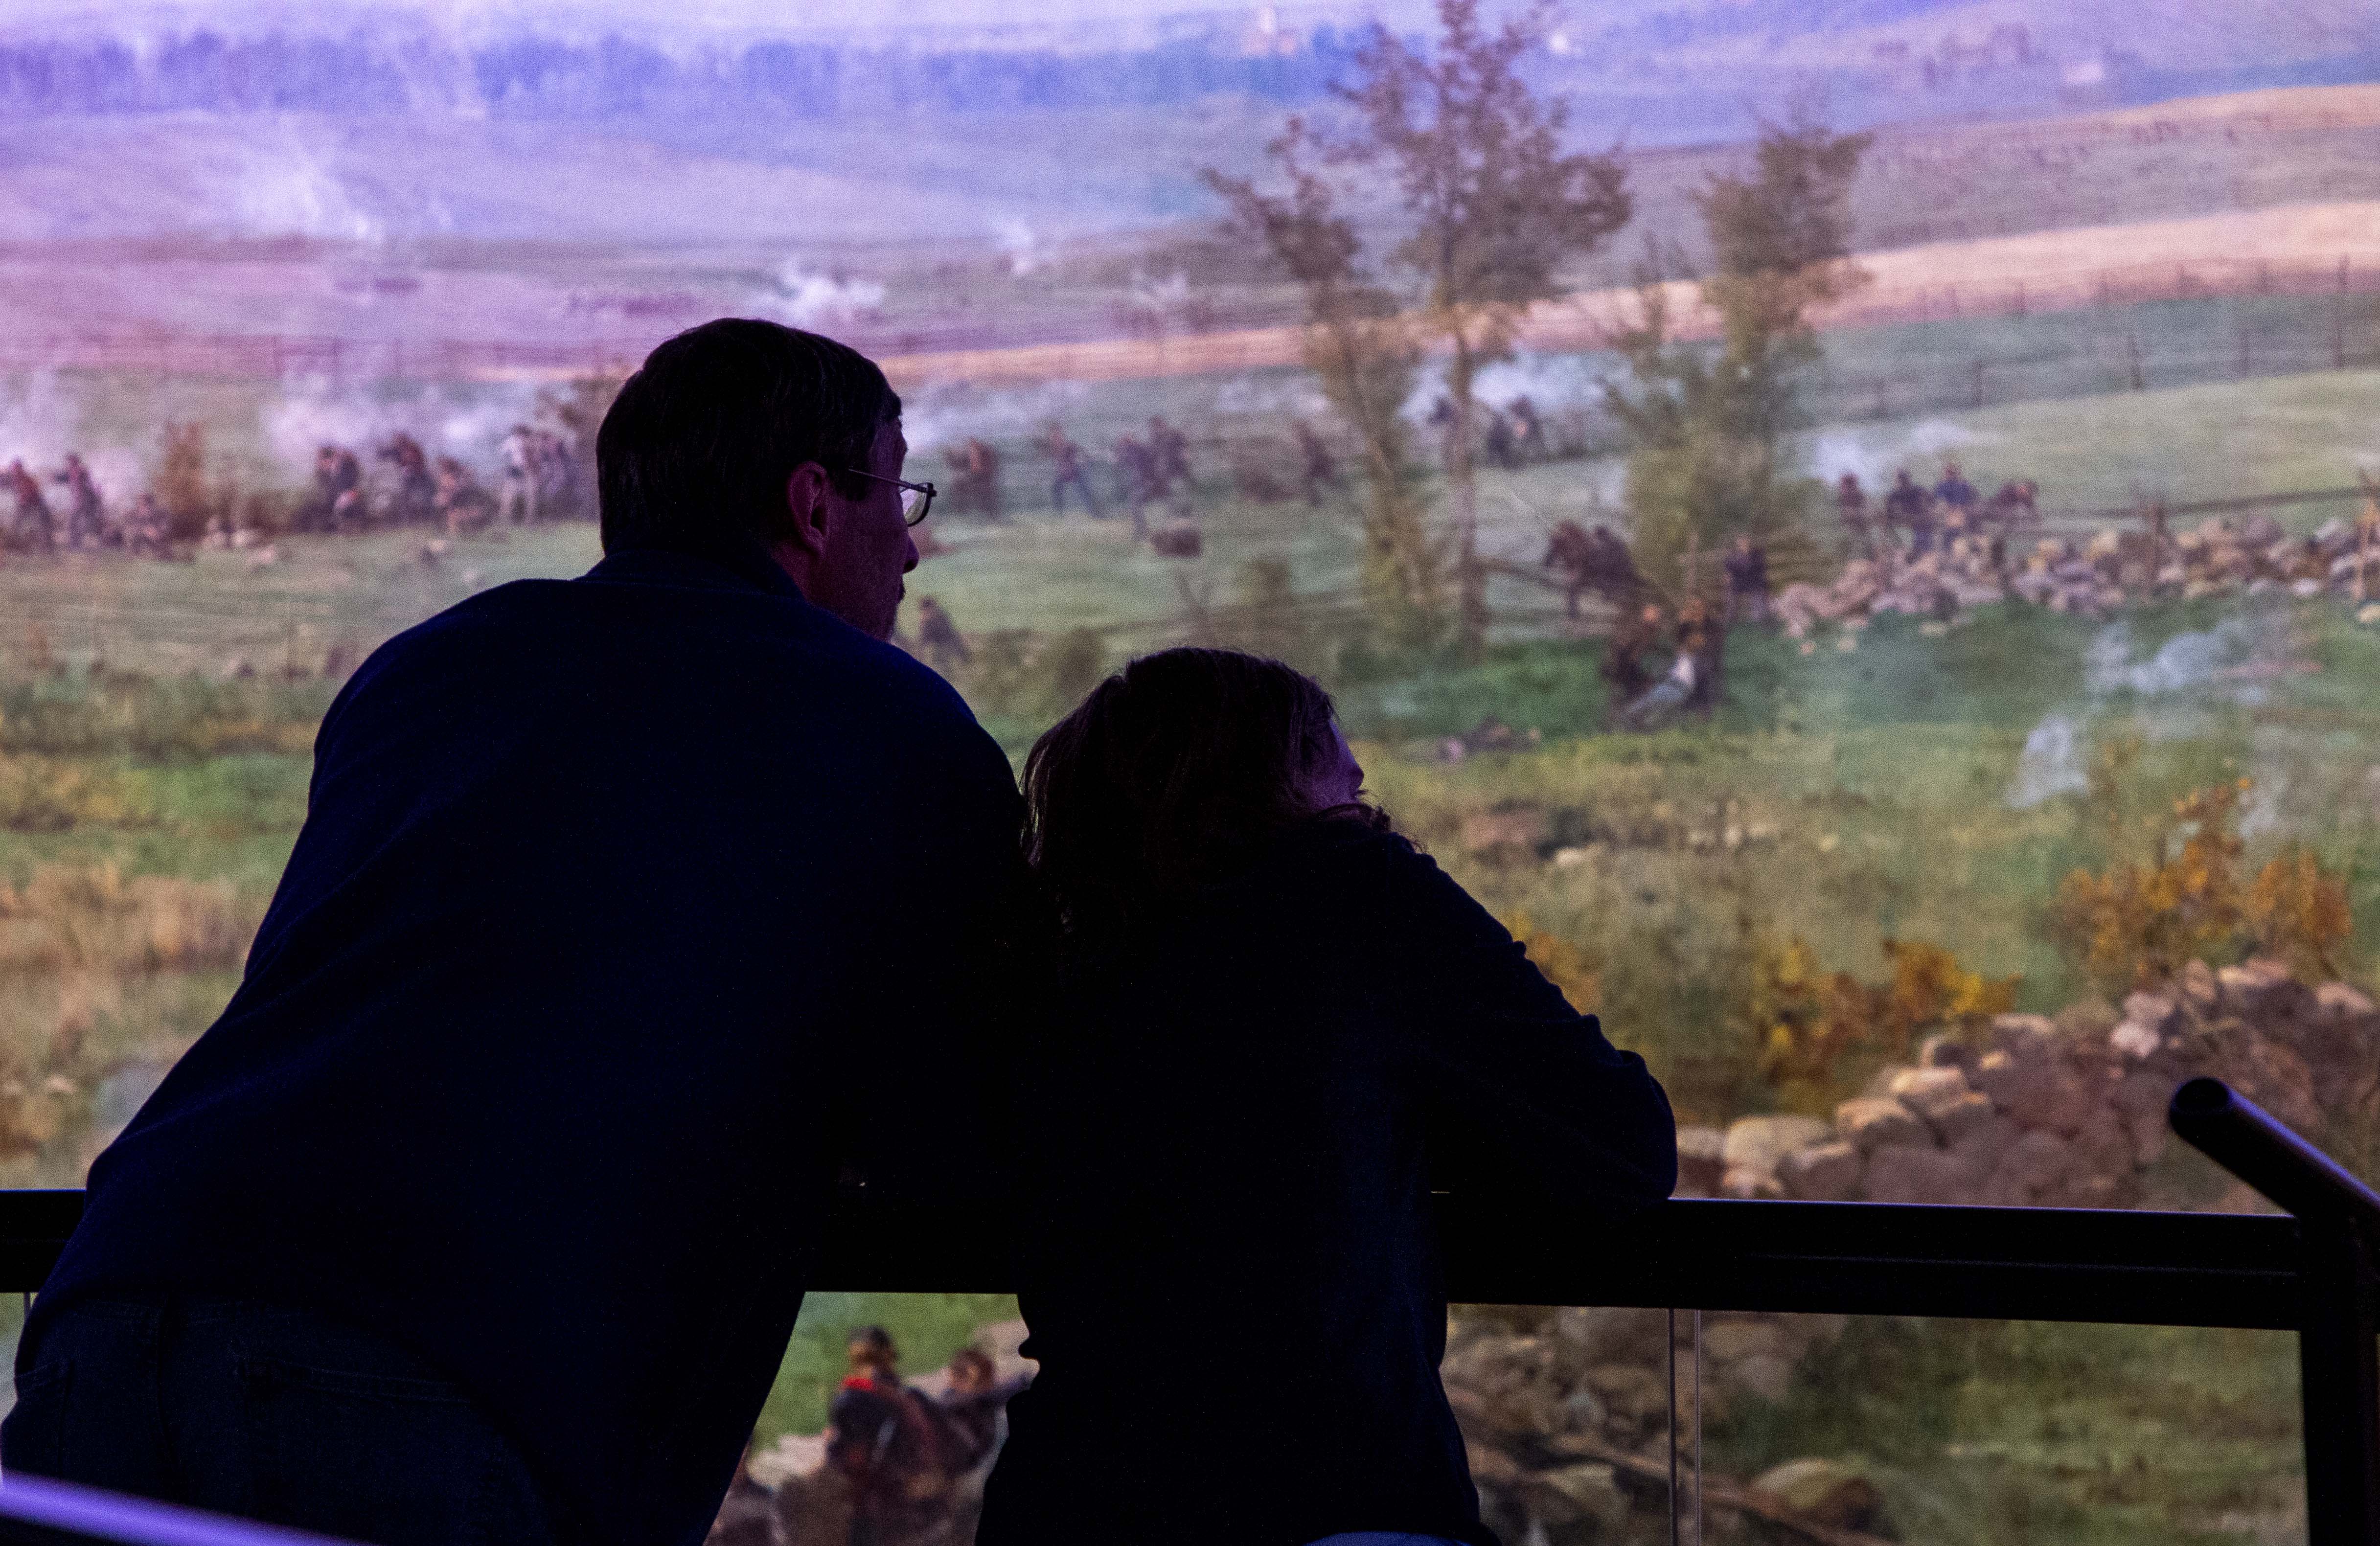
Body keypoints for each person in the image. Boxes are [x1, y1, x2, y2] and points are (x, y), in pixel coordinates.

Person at [5, 319, 1028, 1546]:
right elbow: (949, 1134)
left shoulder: (428, 667)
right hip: (438, 1369)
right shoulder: (893, 728)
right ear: (813, 503)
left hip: (115, 1306)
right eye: (895, 489)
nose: (909, 544)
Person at [979, 649, 1675, 1546]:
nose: (1355, 775)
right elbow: (1623, 1145)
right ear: (1270, 780)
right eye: (1330, 756)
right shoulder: (1351, 894)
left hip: (1067, 1501)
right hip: (1330, 1506)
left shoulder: (1053, 948)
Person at [828, 1329, 958, 1546]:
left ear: (853, 1359)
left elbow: (847, 1459)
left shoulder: (847, 1400)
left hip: (874, 1509)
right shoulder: (913, 1398)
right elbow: (946, 1443)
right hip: (922, 1508)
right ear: (889, 1354)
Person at [1043, 426, 1101, 519]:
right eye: (1053, 436)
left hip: (1075, 471)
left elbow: (1081, 454)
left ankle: (1095, 512)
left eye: (1057, 435)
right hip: (1063, 473)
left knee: (1085, 491)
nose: (1055, 438)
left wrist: (1084, 462)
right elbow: (1052, 459)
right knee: (1056, 489)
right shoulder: (1053, 448)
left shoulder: (1069, 446)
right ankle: (1059, 512)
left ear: (1061, 436)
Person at [52, 453, 105, 547]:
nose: (67, 464)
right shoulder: (74, 471)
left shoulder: (79, 471)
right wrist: (54, 477)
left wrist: (96, 496)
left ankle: (76, 544)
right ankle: (77, 544)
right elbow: (64, 478)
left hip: (84, 501)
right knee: (83, 522)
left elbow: (86, 484)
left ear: (74, 461)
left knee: (75, 522)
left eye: (69, 462)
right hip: (83, 501)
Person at [913, 595, 969, 674]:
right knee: (939, 661)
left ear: (932, 608)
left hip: (948, 641)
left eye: (929, 610)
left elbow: (952, 635)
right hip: (938, 644)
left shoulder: (941, 617)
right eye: (923, 611)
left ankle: (960, 668)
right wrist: (919, 657)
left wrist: (963, 655)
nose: (924, 614)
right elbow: (923, 640)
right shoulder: (925, 622)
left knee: (946, 656)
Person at [1722, 534, 1770, 626]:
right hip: (1738, 584)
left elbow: (1762, 571)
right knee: (1730, 597)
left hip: (1754, 583)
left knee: (1758, 596)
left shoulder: (1757, 555)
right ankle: (1730, 623)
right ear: (1738, 543)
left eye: (1745, 541)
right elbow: (1728, 571)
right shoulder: (1733, 556)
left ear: (1749, 542)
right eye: (1741, 541)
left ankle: (1759, 623)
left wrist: (1760, 583)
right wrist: (1729, 578)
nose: (1744, 543)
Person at [1291, 420, 1338, 507]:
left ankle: (1317, 501)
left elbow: (1316, 456)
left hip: (1321, 465)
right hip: (1321, 465)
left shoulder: (1309, 440)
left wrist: (1309, 465)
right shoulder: (1307, 440)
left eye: (1298, 430)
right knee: (1309, 481)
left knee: (1309, 480)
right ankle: (1316, 501)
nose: (1296, 433)